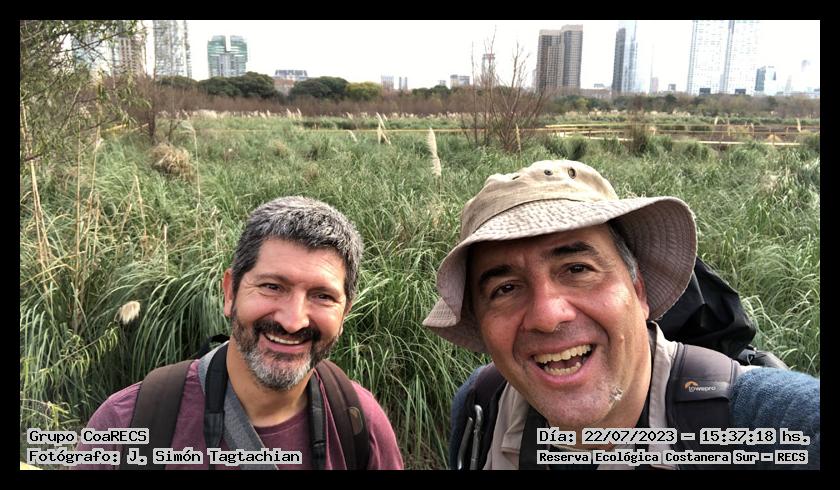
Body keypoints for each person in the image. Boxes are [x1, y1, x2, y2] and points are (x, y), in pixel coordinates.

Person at [423, 160, 819, 470]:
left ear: (638, 290)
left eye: (577, 269)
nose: (546, 316)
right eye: (505, 289)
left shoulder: (765, 423)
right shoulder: (482, 407)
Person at [75, 196, 404, 469]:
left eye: (323, 296)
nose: (293, 321)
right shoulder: (126, 424)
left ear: (345, 312)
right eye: (272, 286)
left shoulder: (360, 424)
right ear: (230, 292)